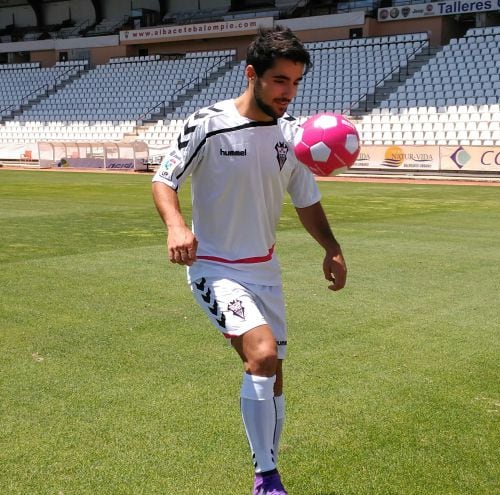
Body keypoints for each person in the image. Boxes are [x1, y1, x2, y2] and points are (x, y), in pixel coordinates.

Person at [151, 26, 347, 495]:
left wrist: (331, 247)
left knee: (273, 375)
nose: (288, 93)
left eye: (296, 83)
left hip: (265, 270)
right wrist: (177, 227)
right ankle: (267, 478)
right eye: (280, 81)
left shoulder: (292, 137)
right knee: (260, 356)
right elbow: (164, 179)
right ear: (252, 74)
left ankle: (269, 468)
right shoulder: (209, 123)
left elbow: (306, 200)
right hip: (214, 266)